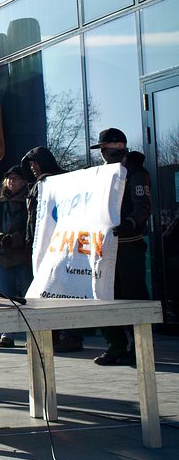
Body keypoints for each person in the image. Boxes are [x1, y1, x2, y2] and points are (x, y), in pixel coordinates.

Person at [92, 128, 152, 366]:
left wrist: (130, 223)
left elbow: (143, 206)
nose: (103, 154)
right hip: (105, 247)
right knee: (105, 296)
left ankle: (141, 346)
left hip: (129, 245)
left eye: (105, 149)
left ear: (118, 147)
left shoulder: (136, 172)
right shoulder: (101, 174)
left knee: (133, 297)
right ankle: (115, 345)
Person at [21, 146, 75, 350]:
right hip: (39, 248)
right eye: (30, 164)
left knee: (64, 294)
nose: (33, 168)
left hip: (60, 247)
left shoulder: (63, 182)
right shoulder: (36, 186)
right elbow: (32, 220)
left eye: (35, 163)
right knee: (43, 294)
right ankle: (48, 337)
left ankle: (71, 336)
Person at [0, 166, 32, 348]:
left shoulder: (29, 202)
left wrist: (15, 239)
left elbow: (32, 227)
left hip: (23, 255)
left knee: (28, 295)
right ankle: (7, 334)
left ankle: (34, 334)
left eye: (15, 178)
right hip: (2, 256)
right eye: (9, 178)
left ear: (23, 182)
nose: (11, 182)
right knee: (7, 296)